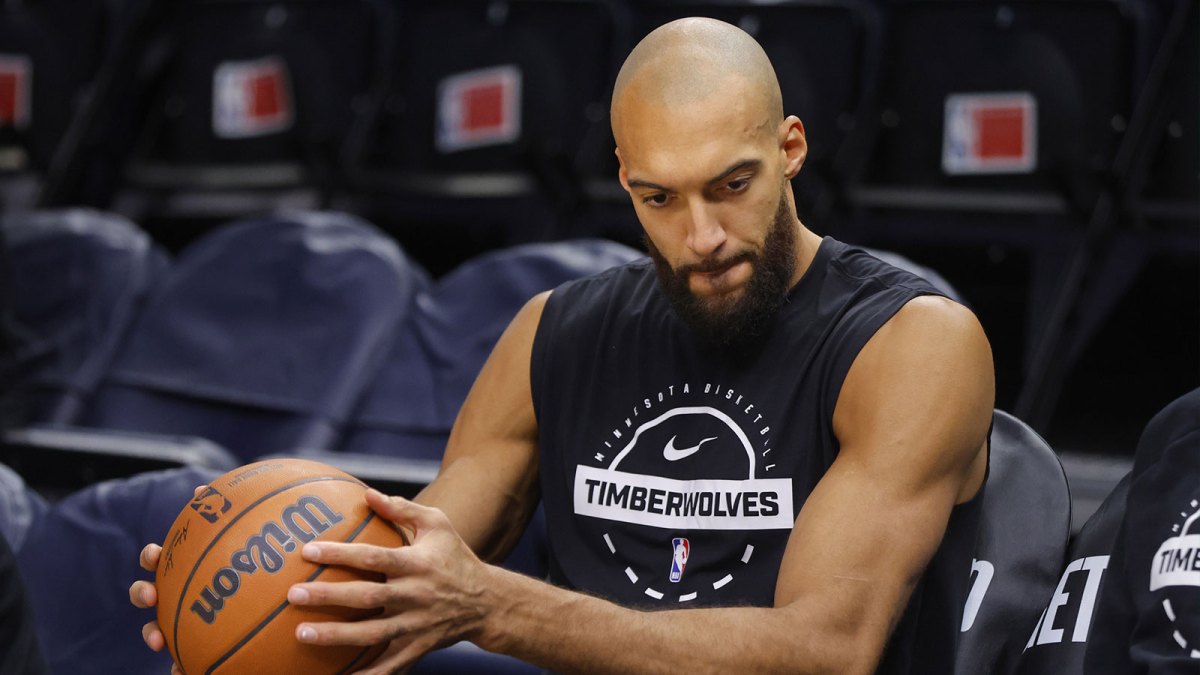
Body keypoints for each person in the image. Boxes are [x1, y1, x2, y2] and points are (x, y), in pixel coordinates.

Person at [130, 17, 994, 674]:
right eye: (659, 198)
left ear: (790, 148)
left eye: (732, 186)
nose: (701, 237)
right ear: (623, 178)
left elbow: (826, 650)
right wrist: (260, 607)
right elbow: (409, 567)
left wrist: (494, 609)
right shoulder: (555, 333)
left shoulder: (909, 341)